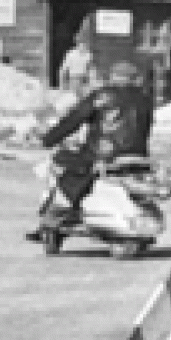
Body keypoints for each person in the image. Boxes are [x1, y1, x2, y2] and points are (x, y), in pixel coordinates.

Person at [35, 56, 154, 230]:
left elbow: (73, 120)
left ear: (113, 76)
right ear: (134, 78)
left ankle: (64, 210)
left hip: (102, 155)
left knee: (66, 162)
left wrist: (48, 139)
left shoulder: (101, 95)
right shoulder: (145, 100)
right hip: (137, 156)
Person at [58, 28, 98, 96]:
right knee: (74, 97)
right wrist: (62, 87)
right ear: (77, 43)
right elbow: (63, 70)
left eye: (85, 44)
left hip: (84, 80)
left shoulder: (89, 55)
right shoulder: (71, 54)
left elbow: (92, 70)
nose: (83, 46)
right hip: (73, 79)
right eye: (81, 44)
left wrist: (92, 83)